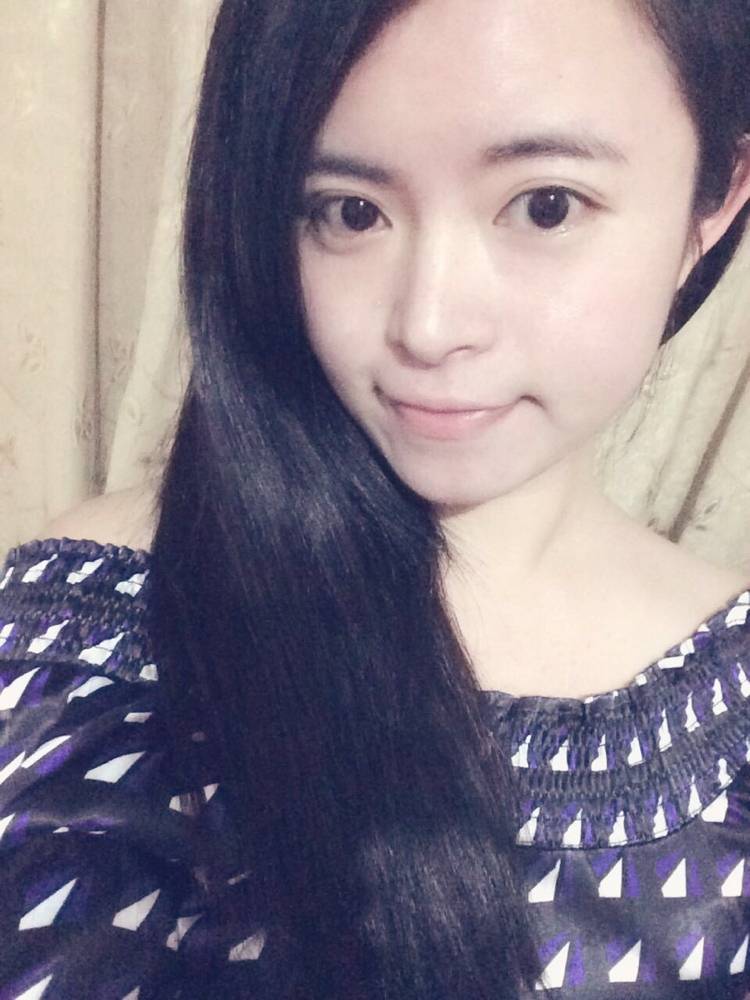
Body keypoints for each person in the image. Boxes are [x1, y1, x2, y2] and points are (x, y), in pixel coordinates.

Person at [1, 0, 750, 997]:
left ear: (714, 202)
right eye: (350, 212)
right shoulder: (83, 629)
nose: (428, 326)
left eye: (546, 206)